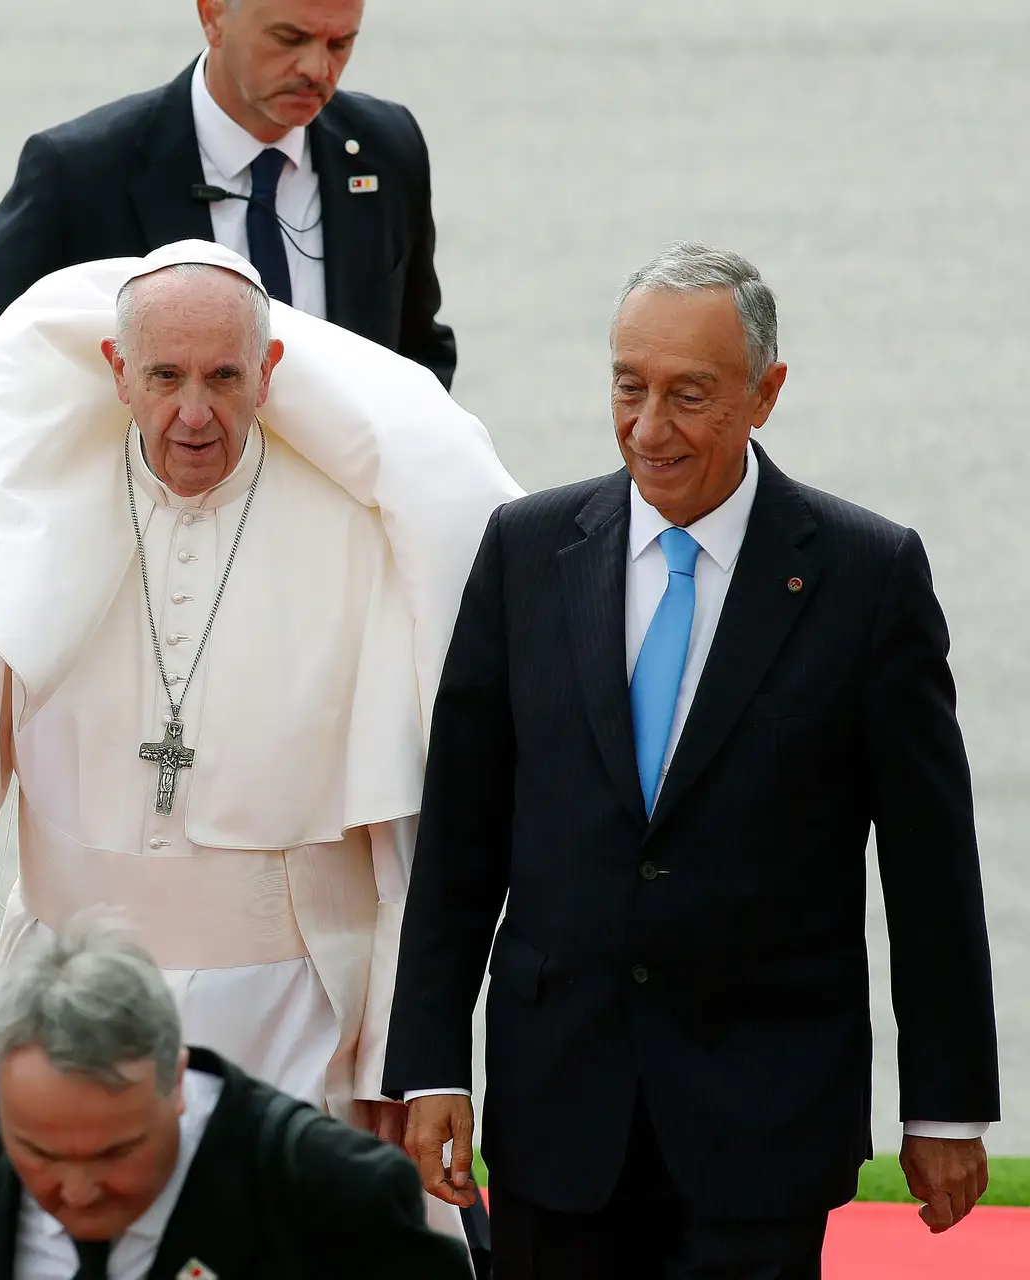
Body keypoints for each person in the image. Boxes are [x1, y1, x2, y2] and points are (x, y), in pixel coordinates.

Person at [0, 239, 514, 1215]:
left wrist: (396, 1057)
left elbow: (401, 835)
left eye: (223, 377)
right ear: (118, 371)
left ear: (270, 373)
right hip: (67, 995)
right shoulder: (31, 510)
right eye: (164, 377)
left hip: (293, 1009)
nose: (194, 413)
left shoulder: (355, 525)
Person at [384, 243, 1000, 1278]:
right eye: (629, 387)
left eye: (690, 395)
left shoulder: (867, 574)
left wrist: (944, 1102)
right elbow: (459, 835)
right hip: (558, 1106)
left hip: (762, 1115)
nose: (649, 427)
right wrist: (430, 1062)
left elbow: (930, 866)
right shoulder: (526, 551)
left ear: (766, 394)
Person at [0, 916, 471, 1279]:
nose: (75, 1191)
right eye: (38, 1154)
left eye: (113, 1153)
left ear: (176, 1082)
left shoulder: (332, 1192)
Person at [0, 0, 455, 391]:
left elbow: (418, 353)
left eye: (340, 44)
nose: (317, 69)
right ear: (212, 14)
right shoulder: (76, 172)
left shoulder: (389, 149)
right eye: (289, 38)